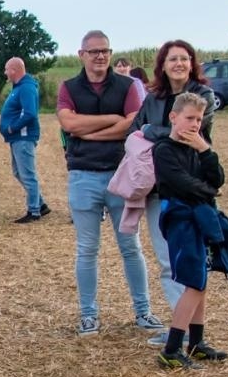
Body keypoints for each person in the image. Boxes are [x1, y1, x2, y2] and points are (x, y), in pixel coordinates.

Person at [57, 30, 164, 337]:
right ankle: (89, 315)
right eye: (93, 52)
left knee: (130, 247)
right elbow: (68, 123)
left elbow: (132, 124)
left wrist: (87, 131)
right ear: (82, 55)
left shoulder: (129, 85)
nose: (100, 56)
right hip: (83, 176)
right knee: (86, 249)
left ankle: (143, 312)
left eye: (104, 51)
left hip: (122, 175)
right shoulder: (69, 87)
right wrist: (111, 119)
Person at [131, 39, 216, 330]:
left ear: (192, 63)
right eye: (172, 59)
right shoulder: (152, 98)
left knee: (190, 261)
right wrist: (156, 131)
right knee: (168, 261)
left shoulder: (204, 95)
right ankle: (177, 327)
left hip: (191, 185)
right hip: (157, 188)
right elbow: (134, 131)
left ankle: (191, 331)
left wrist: (151, 130)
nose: (178, 64)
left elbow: (189, 133)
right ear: (163, 66)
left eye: (184, 58)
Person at [152, 91, 228, 368]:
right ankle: (172, 349)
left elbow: (218, 178)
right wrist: (209, 191)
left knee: (201, 281)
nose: (195, 124)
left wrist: (205, 150)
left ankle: (197, 343)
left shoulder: (199, 147)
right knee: (194, 282)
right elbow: (182, 183)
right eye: (189, 118)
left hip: (201, 217)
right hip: (181, 219)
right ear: (173, 117)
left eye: (199, 119)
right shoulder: (163, 149)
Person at [0, 57, 47, 223]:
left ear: (14, 70)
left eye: (6, 69)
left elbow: (30, 113)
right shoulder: (19, 87)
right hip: (17, 137)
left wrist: (13, 127)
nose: (5, 72)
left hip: (23, 137)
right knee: (18, 172)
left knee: (27, 174)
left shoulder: (26, 88)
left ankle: (34, 211)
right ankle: (40, 203)